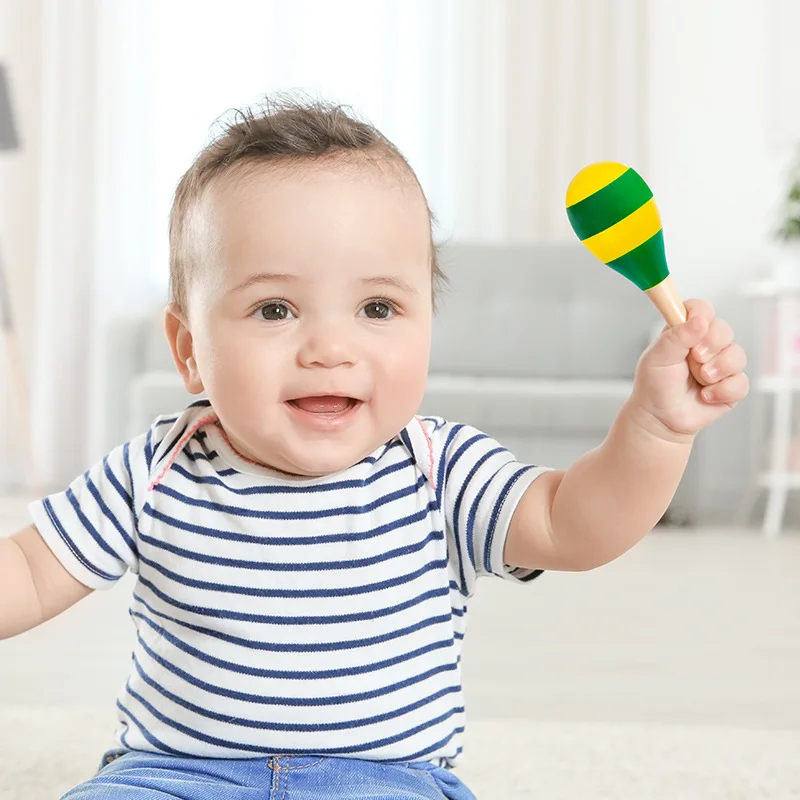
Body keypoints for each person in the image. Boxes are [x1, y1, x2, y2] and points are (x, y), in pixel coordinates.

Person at [0, 96, 749, 799]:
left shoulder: (441, 470)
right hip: (176, 775)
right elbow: (31, 573)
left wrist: (654, 430)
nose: (330, 346)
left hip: (385, 780)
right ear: (190, 349)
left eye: (378, 307)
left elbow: (573, 525)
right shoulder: (157, 469)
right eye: (274, 308)